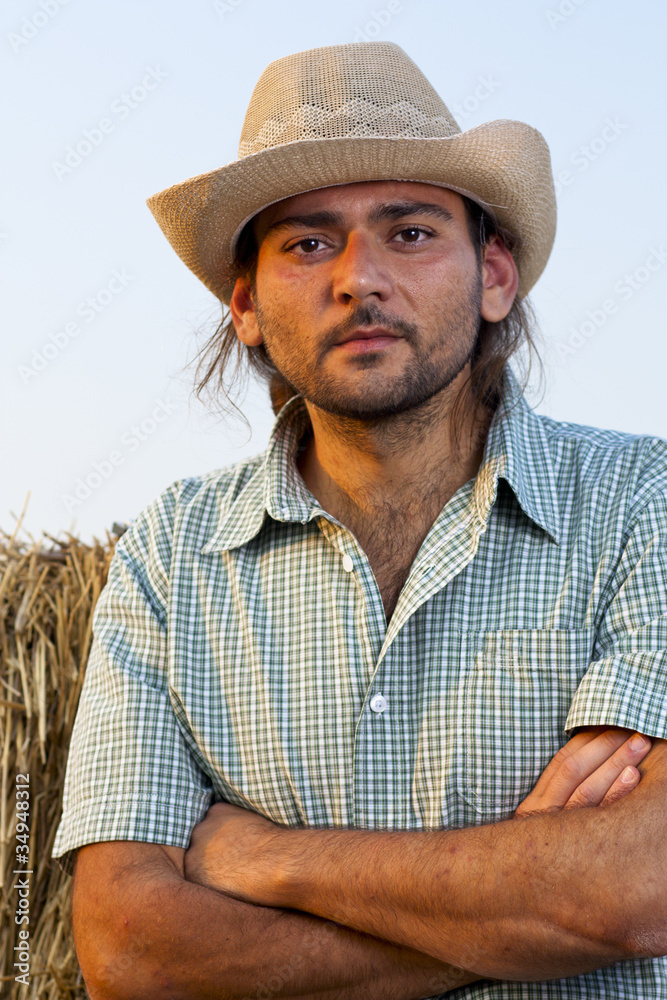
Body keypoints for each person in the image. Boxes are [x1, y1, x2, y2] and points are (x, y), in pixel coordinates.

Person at [52, 42, 667, 999]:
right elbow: (131, 954)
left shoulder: (643, 502)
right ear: (246, 305)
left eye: (410, 232)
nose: (359, 278)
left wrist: (268, 861)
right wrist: (533, 902)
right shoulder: (172, 554)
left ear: (495, 275)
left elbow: (640, 883)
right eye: (306, 242)